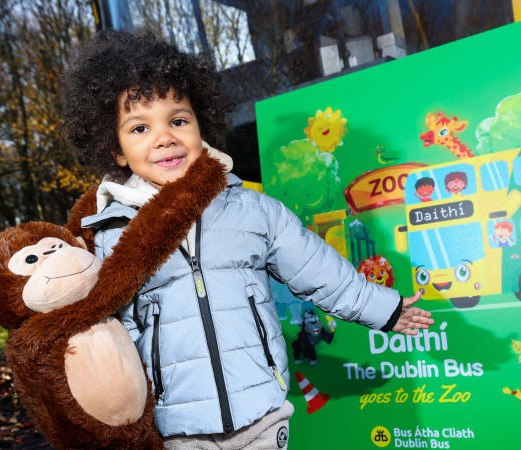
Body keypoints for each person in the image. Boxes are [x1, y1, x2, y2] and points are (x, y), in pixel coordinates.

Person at [62, 31, 432, 449]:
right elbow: (115, 338)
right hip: (178, 427)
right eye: (140, 127)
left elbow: (320, 270)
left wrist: (384, 309)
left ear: (201, 124)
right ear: (116, 150)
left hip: (262, 410)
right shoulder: (112, 234)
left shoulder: (250, 209)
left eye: (178, 120)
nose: (164, 137)